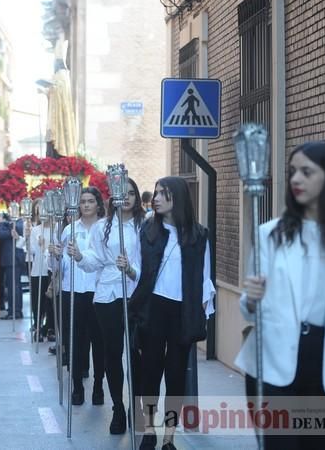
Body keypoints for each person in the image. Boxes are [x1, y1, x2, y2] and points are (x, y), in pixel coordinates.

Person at [235, 142, 325, 450]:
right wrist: (250, 297)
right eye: (292, 172)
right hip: (273, 362)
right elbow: (250, 309)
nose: (296, 179)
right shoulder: (270, 235)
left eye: (306, 171)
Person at [130, 177, 215, 450]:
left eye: (163, 194)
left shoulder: (199, 235)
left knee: (176, 376)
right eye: (155, 193)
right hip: (153, 309)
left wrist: (201, 312)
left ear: (177, 198)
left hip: (183, 312)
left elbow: (204, 279)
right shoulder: (148, 231)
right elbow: (138, 271)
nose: (156, 198)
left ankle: (169, 437)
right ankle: (149, 430)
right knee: (150, 373)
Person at [70, 177, 144, 435]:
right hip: (107, 296)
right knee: (112, 353)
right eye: (121, 193)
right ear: (113, 197)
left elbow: (150, 263)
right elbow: (95, 260)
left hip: (136, 294)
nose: (126, 198)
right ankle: (118, 408)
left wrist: (132, 270)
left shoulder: (145, 226)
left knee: (136, 355)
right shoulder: (103, 227)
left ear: (136, 198)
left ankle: (139, 407)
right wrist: (80, 256)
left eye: (131, 194)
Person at [50, 187, 106, 407]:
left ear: (98, 204)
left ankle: (99, 385)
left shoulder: (105, 229)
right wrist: (55, 256)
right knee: (73, 340)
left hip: (97, 292)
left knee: (98, 342)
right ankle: (77, 386)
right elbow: (59, 265)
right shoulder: (68, 230)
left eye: (90, 201)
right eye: (82, 201)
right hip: (72, 290)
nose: (85, 205)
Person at [25, 199, 54, 341]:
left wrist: (46, 246)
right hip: (38, 270)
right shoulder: (36, 230)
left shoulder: (57, 228)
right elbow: (31, 250)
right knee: (38, 301)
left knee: (50, 302)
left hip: (51, 270)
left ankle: (50, 327)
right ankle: (37, 326)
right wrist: (28, 238)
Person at [0, 212, 26, 319]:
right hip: (10, 259)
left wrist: (0, 223)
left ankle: (15, 311)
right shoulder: (10, 225)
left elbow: (0, 233)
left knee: (14, 286)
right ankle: (13, 310)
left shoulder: (18, 223)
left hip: (13, 259)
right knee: (13, 286)